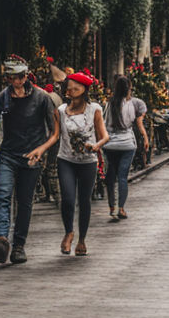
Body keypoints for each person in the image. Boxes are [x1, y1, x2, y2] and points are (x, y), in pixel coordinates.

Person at [0, 55, 60, 265]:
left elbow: (55, 133)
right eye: (12, 77)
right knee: (3, 195)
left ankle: (18, 246)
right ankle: (1, 240)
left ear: (27, 76)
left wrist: (41, 150)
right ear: (7, 78)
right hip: (8, 155)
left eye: (20, 77)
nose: (16, 81)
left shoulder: (43, 98)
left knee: (24, 202)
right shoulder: (2, 99)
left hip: (32, 158)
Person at [57, 71, 109, 256]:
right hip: (66, 159)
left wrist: (96, 146)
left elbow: (104, 136)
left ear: (84, 89)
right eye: (69, 87)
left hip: (88, 161)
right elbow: (55, 135)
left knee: (85, 201)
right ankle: (69, 232)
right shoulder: (62, 110)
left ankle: (82, 240)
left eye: (75, 87)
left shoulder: (94, 109)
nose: (71, 90)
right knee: (68, 199)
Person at [102, 75, 149, 222]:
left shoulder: (109, 104)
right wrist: (145, 138)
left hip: (110, 144)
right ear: (128, 89)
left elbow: (104, 123)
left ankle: (111, 207)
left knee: (111, 175)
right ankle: (120, 208)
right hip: (127, 144)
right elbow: (136, 123)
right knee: (122, 177)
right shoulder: (132, 104)